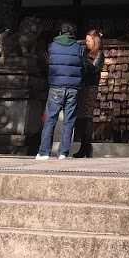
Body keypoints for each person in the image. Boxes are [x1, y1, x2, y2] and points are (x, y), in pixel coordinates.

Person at [36, 21, 86, 160]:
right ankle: (63, 153)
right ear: (73, 34)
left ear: (60, 32)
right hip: (73, 88)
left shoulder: (52, 47)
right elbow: (84, 67)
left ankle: (44, 152)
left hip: (55, 87)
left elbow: (48, 63)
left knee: (50, 119)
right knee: (69, 121)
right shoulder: (79, 48)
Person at [73, 28, 103, 159]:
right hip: (81, 85)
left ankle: (87, 146)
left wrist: (84, 61)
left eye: (89, 40)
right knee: (80, 117)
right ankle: (83, 146)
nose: (87, 43)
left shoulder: (99, 54)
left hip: (91, 86)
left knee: (87, 115)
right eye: (86, 40)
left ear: (95, 41)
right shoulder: (84, 52)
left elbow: (94, 69)